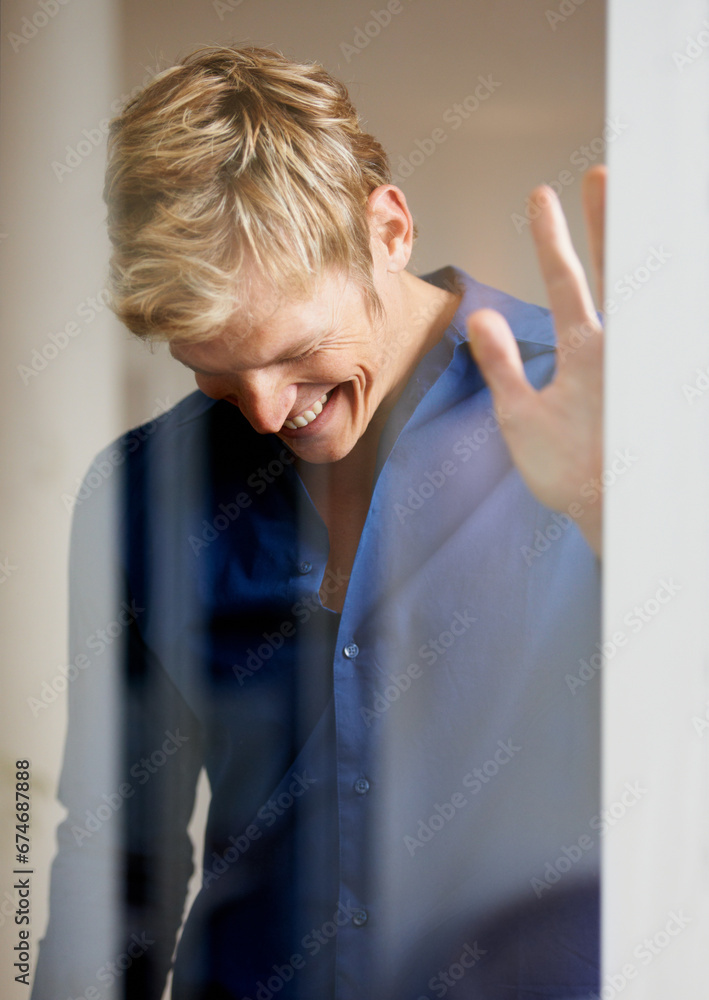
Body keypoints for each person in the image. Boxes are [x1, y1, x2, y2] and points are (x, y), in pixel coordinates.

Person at [32, 45, 604, 1000]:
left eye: (294, 351)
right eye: (213, 372)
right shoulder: (136, 491)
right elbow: (108, 859)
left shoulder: (595, 420)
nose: (263, 413)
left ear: (386, 228)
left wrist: (613, 511)